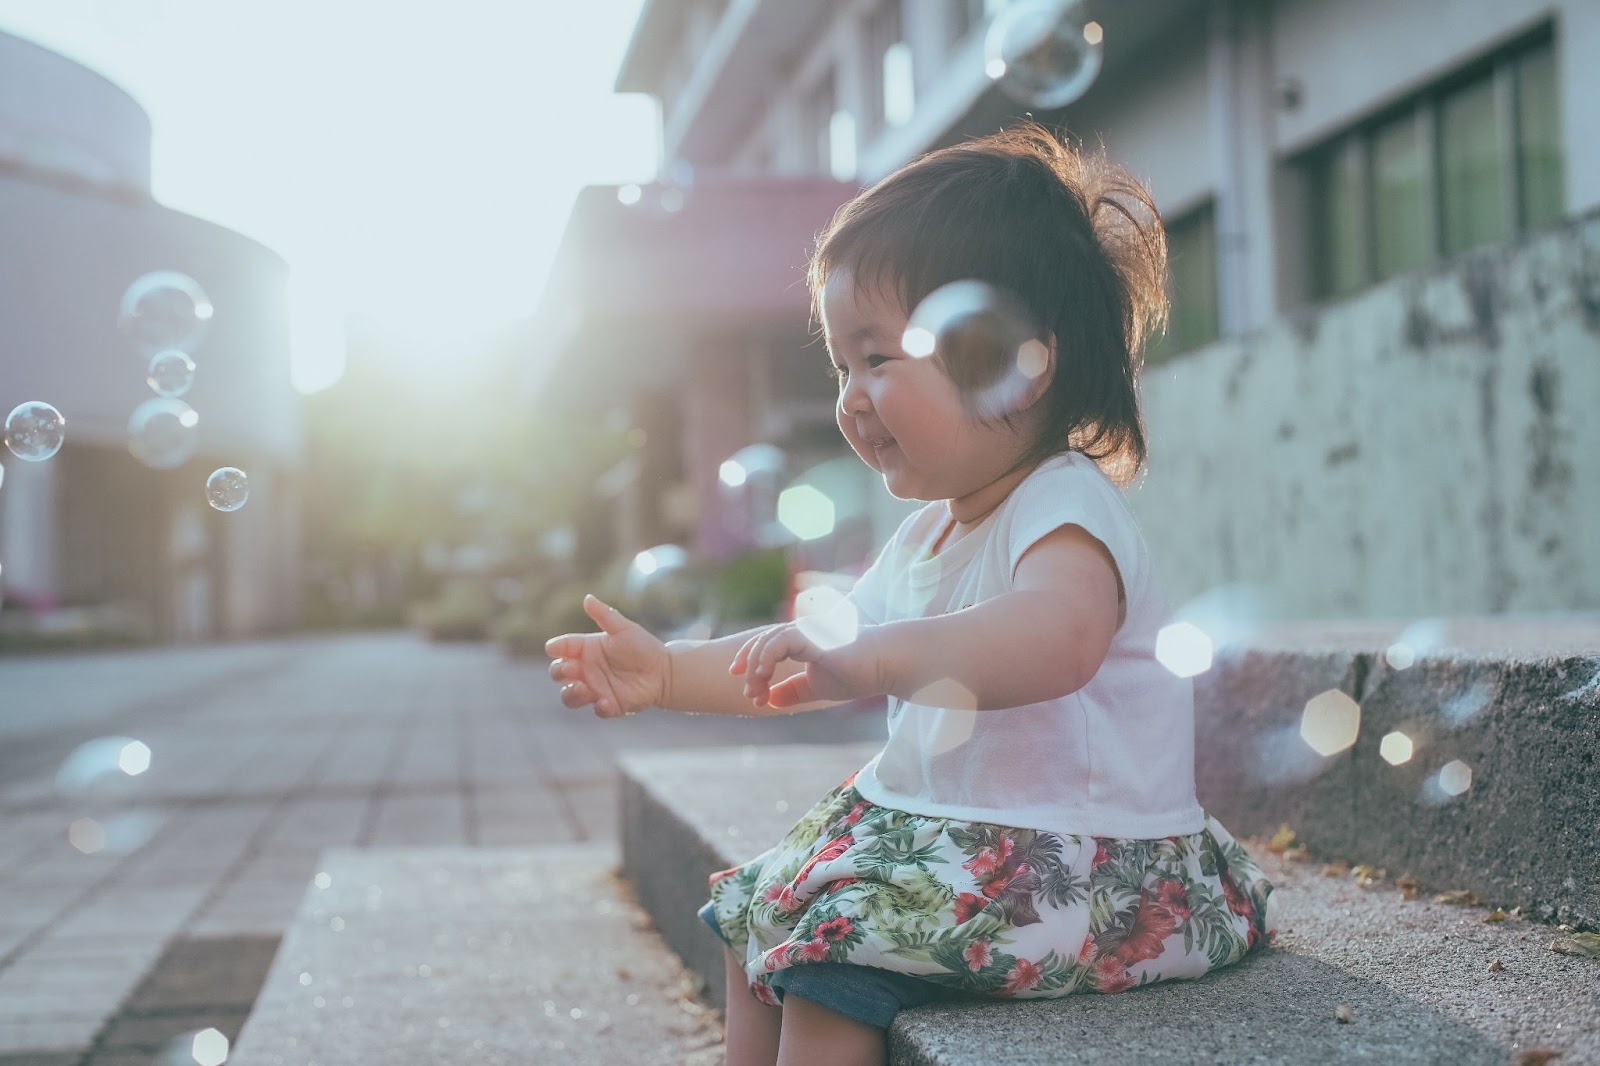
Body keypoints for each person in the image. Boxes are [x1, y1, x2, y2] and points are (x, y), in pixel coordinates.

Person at [545, 122, 1275, 1066]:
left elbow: (1059, 638)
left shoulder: (1062, 504)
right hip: (973, 843)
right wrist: (671, 673)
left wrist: (876, 659)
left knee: (830, 960)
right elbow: (802, 656)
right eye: (842, 364)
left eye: (878, 359)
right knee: (751, 916)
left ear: (1013, 362)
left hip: (1088, 864)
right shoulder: (930, 528)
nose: (850, 395)